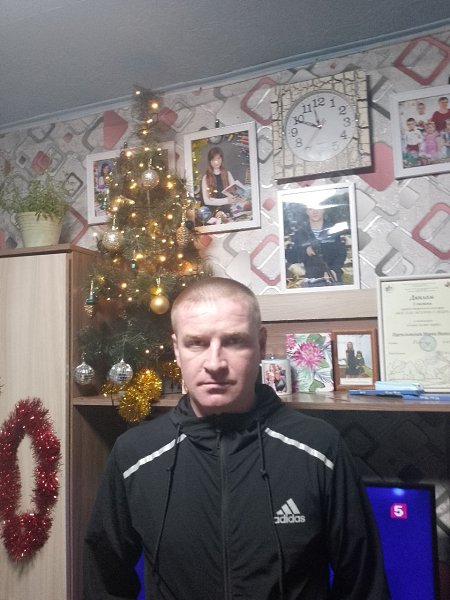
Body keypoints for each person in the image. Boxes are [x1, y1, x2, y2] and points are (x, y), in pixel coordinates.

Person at [83, 277, 390, 599]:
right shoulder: (134, 454)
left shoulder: (319, 447)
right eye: (196, 343)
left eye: (233, 341)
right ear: (176, 350)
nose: (215, 363)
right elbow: (104, 581)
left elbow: (363, 584)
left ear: (260, 344)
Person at [285, 206, 348, 284]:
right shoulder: (300, 233)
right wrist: (305, 251)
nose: (315, 212)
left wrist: (334, 270)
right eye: (311, 209)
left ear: (323, 209)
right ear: (307, 211)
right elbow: (291, 257)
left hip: (334, 278)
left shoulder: (335, 229)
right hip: (311, 281)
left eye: (318, 208)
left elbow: (341, 253)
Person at [201, 146, 236, 215]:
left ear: (222, 159)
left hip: (228, 212)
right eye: (213, 160)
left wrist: (234, 198)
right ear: (210, 161)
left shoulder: (227, 174)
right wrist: (226, 200)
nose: (216, 162)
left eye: (218, 158)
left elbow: (235, 193)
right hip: (212, 213)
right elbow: (207, 200)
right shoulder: (205, 178)